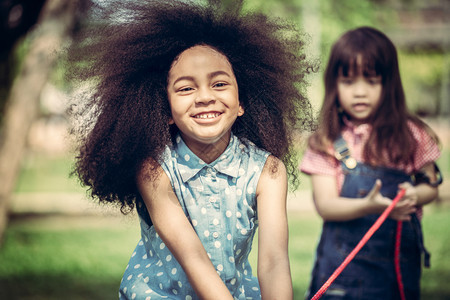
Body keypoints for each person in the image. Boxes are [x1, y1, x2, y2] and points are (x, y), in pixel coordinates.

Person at [68, 0, 314, 299]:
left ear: (242, 102)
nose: (205, 97)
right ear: (166, 109)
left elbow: (274, 262)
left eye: (220, 84)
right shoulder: (154, 169)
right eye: (186, 88)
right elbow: (193, 257)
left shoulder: (268, 171)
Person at [300, 26, 442, 299]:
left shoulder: (411, 134)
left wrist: (414, 194)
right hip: (341, 275)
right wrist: (369, 206)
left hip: (397, 271)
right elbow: (326, 205)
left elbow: (431, 186)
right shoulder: (327, 141)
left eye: (371, 81)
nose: (360, 92)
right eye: (349, 82)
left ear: (388, 84)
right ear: (334, 84)